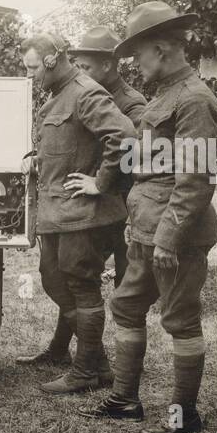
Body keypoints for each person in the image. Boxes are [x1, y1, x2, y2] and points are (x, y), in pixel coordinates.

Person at [79, 2, 217, 433]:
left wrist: (168, 239)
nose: (136, 67)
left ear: (160, 50)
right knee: (125, 305)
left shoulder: (195, 100)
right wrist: (137, 223)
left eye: (139, 56)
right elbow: (148, 168)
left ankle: (184, 415)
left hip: (174, 235)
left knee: (180, 320)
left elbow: (194, 180)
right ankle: (125, 399)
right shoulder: (165, 94)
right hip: (146, 226)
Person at [18, 32, 135, 395]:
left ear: (52, 60)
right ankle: (97, 362)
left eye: (34, 67)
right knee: (53, 279)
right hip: (58, 213)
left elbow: (125, 136)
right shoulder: (59, 94)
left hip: (83, 214)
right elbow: (71, 144)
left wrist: (100, 183)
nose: (32, 75)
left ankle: (85, 370)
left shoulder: (85, 91)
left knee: (81, 287)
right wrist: (39, 160)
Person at [69, 25, 147, 287]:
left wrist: (101, 180)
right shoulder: (82, 97)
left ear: (107, 65)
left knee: (127, 280)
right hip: (94, 203)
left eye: (85, 68)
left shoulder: (131, 103)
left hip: (123, 202)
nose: (79, 74)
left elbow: (135, 152)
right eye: (77, 67)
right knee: (78, 274)